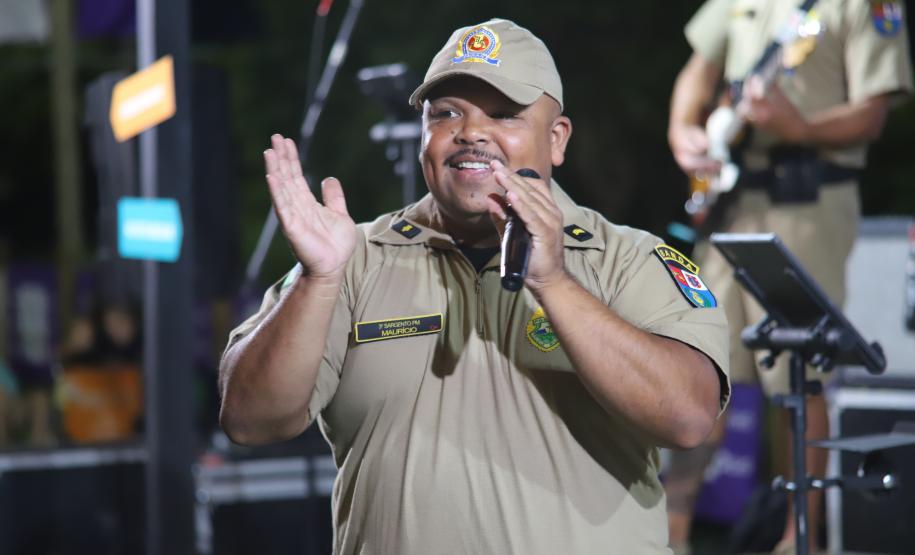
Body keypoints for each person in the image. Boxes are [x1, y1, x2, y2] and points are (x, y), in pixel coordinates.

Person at [220, 18, 729, 554]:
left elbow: (688, 418)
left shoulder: (631, 258)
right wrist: (318, 280)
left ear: (556, 141)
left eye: (504, 114)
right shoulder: (351, 258)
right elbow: (250, 420)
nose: (471, 132)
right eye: (446, 114)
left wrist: (553, 282)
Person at [665, 1, 913, 554]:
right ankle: (671, 533)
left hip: (808, 203)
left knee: (802, 368)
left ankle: (799, 537)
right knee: (701, 366)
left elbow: (872, 112)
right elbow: (697, 70)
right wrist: (683, 130)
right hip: (730, 203)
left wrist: (800, 127)